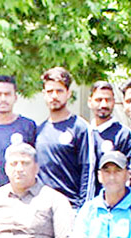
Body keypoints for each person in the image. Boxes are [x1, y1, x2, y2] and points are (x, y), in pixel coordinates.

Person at [35, 66, 97, 207]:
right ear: (44, 94)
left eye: (59, 91)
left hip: (71, 207)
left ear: (68, 93)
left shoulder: (81, 127)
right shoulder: (39, 130)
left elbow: (88, 171)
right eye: (50, 91)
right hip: (42, 208)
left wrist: (83, 209)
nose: (54, 96)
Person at [87, 81, 131, 194]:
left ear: (114, 102)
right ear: (90, 102)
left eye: (108, 100)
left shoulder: (125, 135)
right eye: (98, 100)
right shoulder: (84, 132)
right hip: (83, 205)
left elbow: (129, 173)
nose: (103, 105)